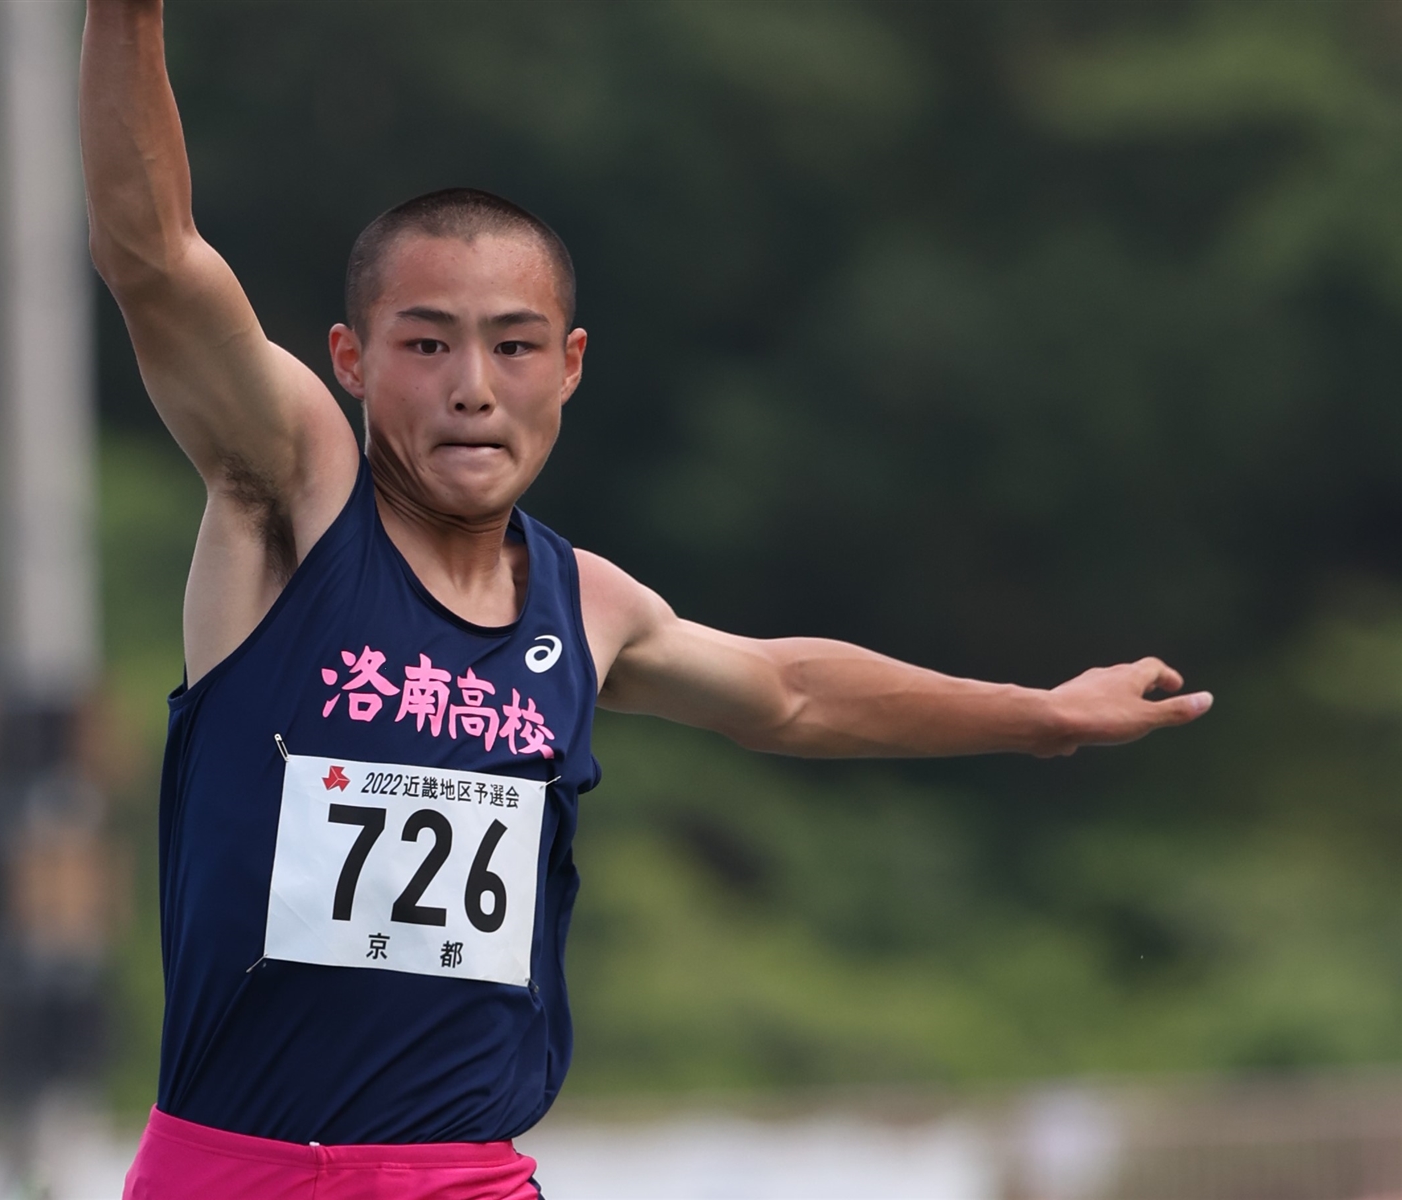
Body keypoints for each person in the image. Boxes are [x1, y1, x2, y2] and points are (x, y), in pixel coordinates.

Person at [79, 3, 1213, 1196]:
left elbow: (787, 693)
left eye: (513, 347)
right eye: (427, 346)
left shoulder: (588, 607)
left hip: (467, 1180)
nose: (473, 389)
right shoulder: (294, 495)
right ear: (352, 361)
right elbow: (152, 257)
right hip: (239, 1174)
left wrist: (1040, 715)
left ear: (567, 365)